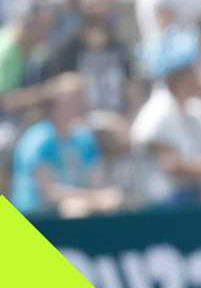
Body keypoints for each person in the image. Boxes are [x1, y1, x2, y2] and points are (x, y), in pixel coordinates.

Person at [10, 72, 121, 215]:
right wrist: (94, 197)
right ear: (55, 104)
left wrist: (102, 197)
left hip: (72, 208)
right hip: (31, 220)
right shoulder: (38, 140)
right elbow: (49, 192)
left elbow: (96, 181)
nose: (81, 104)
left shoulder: (84, 138)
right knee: (75, 208)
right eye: (73, 99)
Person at [131, 28, 201, 206]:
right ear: (179, 77)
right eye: (193, 70)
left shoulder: (196, 110)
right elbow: (171, 165)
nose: (199, 75)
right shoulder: (156, 115)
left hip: (196, 203)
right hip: (165, 210)